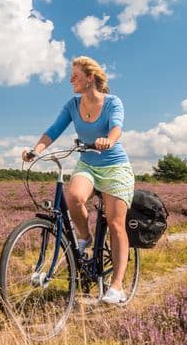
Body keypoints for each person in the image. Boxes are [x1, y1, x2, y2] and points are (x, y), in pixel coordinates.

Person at [24, 56, 134, 304]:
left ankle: (116, 287)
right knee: (72, 196)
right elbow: (53, 130)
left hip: (114, 165)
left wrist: (109, 140)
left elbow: (116, 127)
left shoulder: (112, 103)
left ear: (90, 77)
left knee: (116, 225)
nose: (71, 79)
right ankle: (84, 236)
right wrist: (36, 150)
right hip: (87, 163)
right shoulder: (72, 104)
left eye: (75, 75)